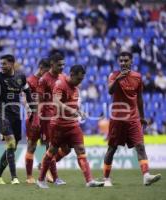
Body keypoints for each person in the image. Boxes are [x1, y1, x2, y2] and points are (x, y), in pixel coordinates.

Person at [36, 64, 104, 189]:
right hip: (58, 125)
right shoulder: (60, 84)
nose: (80, 82)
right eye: (78, 79)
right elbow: (56, 102)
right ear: (71, 75)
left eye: (82, 80)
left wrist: (79, 111)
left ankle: (89, 180)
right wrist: (70, 110)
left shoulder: (75, 88)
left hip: (73, 125)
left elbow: (73, 105)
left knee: (80, 150)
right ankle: (40, 179)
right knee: (52, 151)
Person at [103, 51, 161, 186]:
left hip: (133, 118)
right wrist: (118, 79)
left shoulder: (137, 77)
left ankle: (146, 175)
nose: (123, 63)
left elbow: (139, 98)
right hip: (117, 119)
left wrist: (142, 117)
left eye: (126, 61)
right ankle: (106, 178)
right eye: (121, 61)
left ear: (131, 62)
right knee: (112, 149)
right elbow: (110, 91)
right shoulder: (113, 75)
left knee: (140, 146)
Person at [0, 54, 34, 185]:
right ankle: (14, 177)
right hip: (2, 113)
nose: (2, 66)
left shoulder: (20, 77)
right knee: (11, 142)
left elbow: (27, 91)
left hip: (16, 115)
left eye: (4, 64)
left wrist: (32, 107)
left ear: (12, 64)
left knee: (13, 146)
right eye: (1, 64)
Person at [37, 53, 70, 184]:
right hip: (48, 118)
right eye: (59, 65)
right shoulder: (44, 79)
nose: (62, 67)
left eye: (63, 65)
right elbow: (39, 101)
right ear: (52, 65)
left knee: (67, 148)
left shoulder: (63, 77)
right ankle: (56, 178)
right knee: (51, 147)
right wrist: (38, 119)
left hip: (61, 117)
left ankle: (44, 164)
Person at [25, 58, 50, 184]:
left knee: (48, 145)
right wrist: (32, 111)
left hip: (46, 117)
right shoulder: (30, 81)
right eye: (46, 71)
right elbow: (25, 99)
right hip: (34, 117)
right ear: (41, 68)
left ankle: (48, 173)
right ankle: (29, 176)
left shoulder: (47, 81)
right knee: (32, 145)